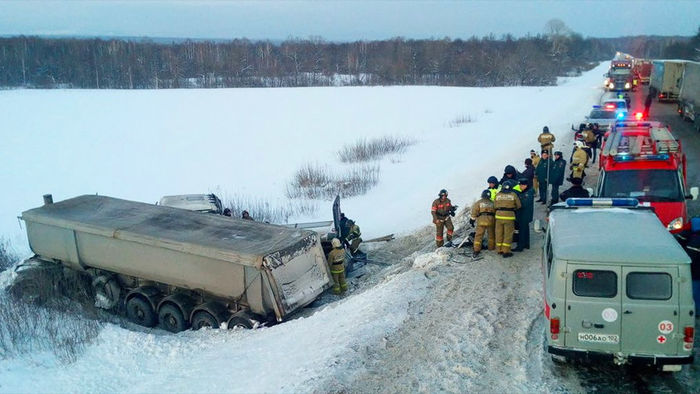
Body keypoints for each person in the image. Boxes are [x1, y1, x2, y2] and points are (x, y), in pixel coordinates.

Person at [494, 180, 521, 258]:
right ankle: (506, 251)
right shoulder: (513, 194)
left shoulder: (498, 195)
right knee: (508, 234)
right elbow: (518, 205)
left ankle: (499, 249)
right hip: (509, 216)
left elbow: (495, 206)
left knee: (499, 233)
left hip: (498, 216)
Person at [469, 189, 496, 257]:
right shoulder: (493, 203)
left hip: (481, 220)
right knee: (491, 236)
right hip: (491, 221)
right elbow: (496, 212)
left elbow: (474, 211)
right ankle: (491, 248)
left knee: (478, 236)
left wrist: (472, 220)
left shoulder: (478, 202)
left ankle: (476, 250)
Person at [512, 178, 533, 252]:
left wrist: (515, 204)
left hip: (524, 215)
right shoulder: (526, 191)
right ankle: (526, 244)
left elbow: (523, 204)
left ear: (525, 185)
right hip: (525, 215)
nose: (520, 187)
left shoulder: (528, 193)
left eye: (521, 185)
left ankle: (520, 246)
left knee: (522, 231)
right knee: (525, 230)